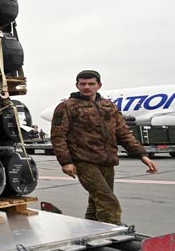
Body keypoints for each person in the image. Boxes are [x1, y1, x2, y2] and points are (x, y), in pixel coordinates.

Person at [50, 69, 157, 224]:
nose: (87, 87)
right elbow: (58, 136)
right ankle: (114, 232)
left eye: (91, 84)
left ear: (99, 85)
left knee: (97, 201)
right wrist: (66, 162)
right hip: (84, 161)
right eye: (83, 84)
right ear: (77, 85)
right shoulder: (67, 106)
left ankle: (91, 228)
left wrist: (142, 155)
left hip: (107, 161)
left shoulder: (109, 106)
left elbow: (123, 133)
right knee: (108, 201)